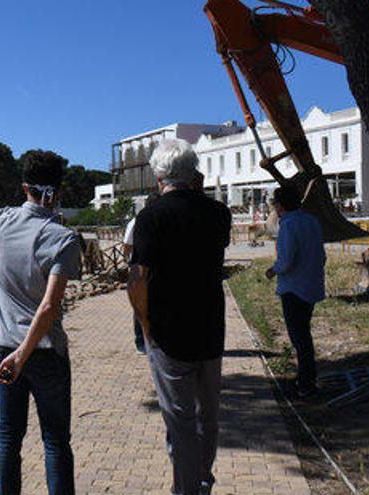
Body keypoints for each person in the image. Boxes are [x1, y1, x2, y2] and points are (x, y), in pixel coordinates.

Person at [0, 150, 82, 495]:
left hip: (4, 347)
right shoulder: (63, 239)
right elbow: (49, 305)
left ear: (25, 188)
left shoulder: (2, 221)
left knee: (8, 436)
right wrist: (26, 353)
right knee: (54, 441)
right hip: (46, 352)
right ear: (58, 191)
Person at [127, 139, 231, 495]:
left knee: (180, 420)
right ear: (194, 173)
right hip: (211, 328)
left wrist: (144, 323)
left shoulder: (150, 217)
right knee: (208, 417)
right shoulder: (219, 213)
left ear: (158, 176)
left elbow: (137, 277)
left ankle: (188, 488)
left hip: (168, 333)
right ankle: (203, 475)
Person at [265, 186, 326, 398]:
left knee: (299, 337)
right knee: (304, 333)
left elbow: (286, 259)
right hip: (311, 283)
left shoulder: (288, 225)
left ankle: (306, 383)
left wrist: (273, 270)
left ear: (280, 206)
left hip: (293, 287)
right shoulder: (312, 221)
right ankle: (305, 376)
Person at [122, 191, 160, 355]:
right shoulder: (137, 221)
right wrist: (129, 260)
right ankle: (140, 341)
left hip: (154, 265)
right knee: (140, 302)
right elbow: (127, 244)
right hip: (139, 264)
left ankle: (153, 338)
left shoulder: (159, 219)